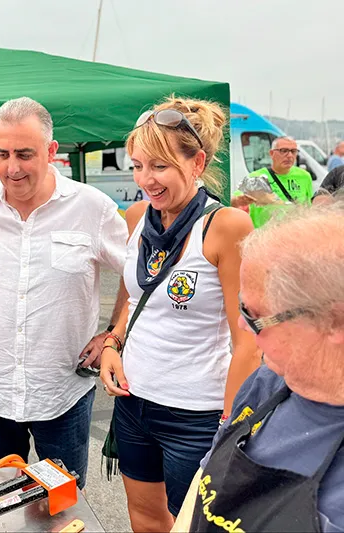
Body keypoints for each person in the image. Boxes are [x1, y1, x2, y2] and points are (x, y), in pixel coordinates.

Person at [0, 97, 129, 489]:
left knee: (62, 504)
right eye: (1, 154)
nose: (12, 167)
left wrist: (114, 333)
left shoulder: (91, 207)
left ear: (52, 151)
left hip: (62, 392)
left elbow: (137, 274)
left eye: (25, 154)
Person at [99, 97, 261, 532]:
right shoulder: (136, 217)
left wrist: (232, 426)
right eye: (137, 166)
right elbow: (133, 301)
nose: (145, 180)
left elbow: (248, 341)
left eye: (159, 166)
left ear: (197, 163)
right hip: (133, 403)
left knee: (197, 524)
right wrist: (112, 343)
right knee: (147, 519)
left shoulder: (224, 227)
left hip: (195, 414)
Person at [172, 202, 344, 533]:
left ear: (335, 322)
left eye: (256, 317)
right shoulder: (266, 382)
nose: (241, 325)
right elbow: (205, 478)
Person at [231, 136, 313, 228]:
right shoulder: (256, 178)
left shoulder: (305, 176)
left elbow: (308, 208)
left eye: (293, 151)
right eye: (284, 151)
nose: (289, 155)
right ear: (271, 153)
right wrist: (238, 201)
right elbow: (232, 202)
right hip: (265, 237)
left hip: (294, 236)